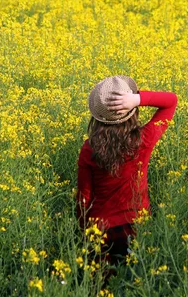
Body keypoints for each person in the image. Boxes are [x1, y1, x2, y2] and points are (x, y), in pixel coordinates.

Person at [76, 74, 178, 284]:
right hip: (136, 225)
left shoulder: (89, 148)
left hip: (100, 228)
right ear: (131, 112)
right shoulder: (144, 139)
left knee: (103, 286)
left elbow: (83, 198)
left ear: (97, 115)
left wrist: (85, 231)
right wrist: (138, 98)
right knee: (135, 284)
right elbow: (171, 102)